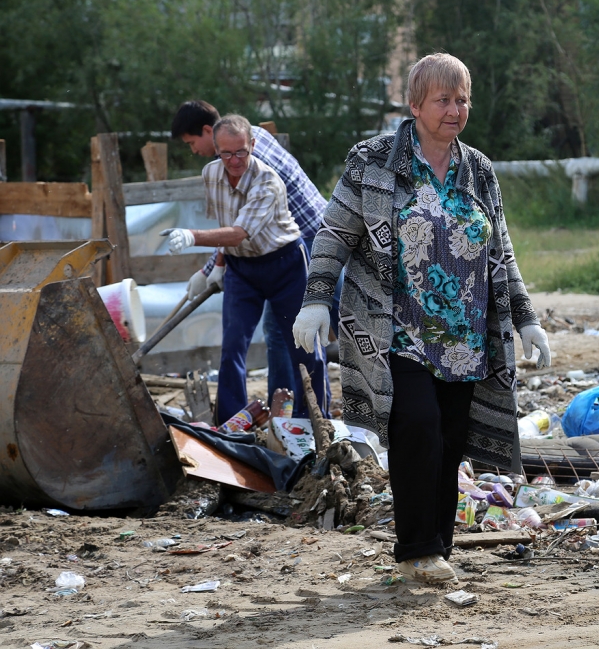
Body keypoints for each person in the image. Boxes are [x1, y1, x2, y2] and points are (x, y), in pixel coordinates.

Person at [293, 53, 550, 585]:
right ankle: (416, 551)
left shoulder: (479, 169)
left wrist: (526, 319)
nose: (455, 110)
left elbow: (500, 249)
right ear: (414, 104)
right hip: (396, 333)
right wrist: (316, 298)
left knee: (450, 442)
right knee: (418, 428)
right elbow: (335, 234)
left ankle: (439, 548)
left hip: (466, 339)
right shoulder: (374, 161)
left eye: (463, 100)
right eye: (443, 100)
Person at [162, 114, 328, 424]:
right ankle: (231, 424)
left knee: (303, 344)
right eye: (226, 153)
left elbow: (240, 232)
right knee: (233, 347)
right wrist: (216, 267)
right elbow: (227, 223)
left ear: (252, 145)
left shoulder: (267, 181)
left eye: (241, 152)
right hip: (242, 269)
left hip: (285, 265)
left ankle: (314, 422)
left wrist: (191, 236)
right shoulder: (211, 174)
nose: (234, 160)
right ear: (216, 149)